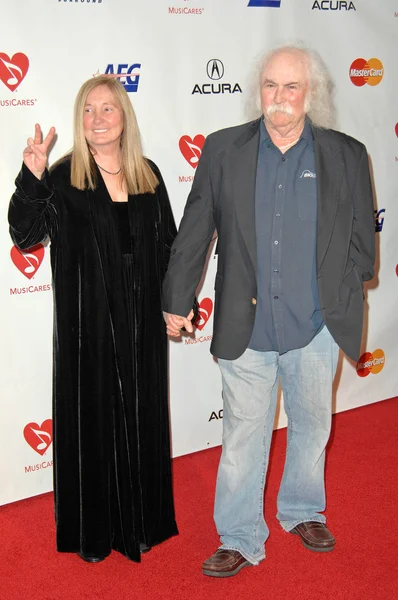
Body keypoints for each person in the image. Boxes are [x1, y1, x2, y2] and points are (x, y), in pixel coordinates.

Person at [163, 45, 375, 577]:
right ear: (258, 90)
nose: (280, 99)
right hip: (246, 324)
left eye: (292, 87)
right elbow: (195, 230)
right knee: (242, 437)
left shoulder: (346, 154)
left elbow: (360, 245)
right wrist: (176, 298)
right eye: (271, 86)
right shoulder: (222, 150)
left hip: (315, 327)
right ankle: (238, 535)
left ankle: (302, 510)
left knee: (311, 425)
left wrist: (341, 296)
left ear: (312, 95)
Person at [9, 75, 180, 563]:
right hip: (87, 331)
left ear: (124, 116)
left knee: (143, 417)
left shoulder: (148, 174)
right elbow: (25, 236)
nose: (98, 119)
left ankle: (144, 521)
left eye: (108, 108)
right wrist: (32, 177)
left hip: (143, 327)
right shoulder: (63, 177)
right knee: (94, 423)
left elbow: (169, 247)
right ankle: (97, 531)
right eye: (89, 110)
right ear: (79, 120)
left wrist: (175, 304)